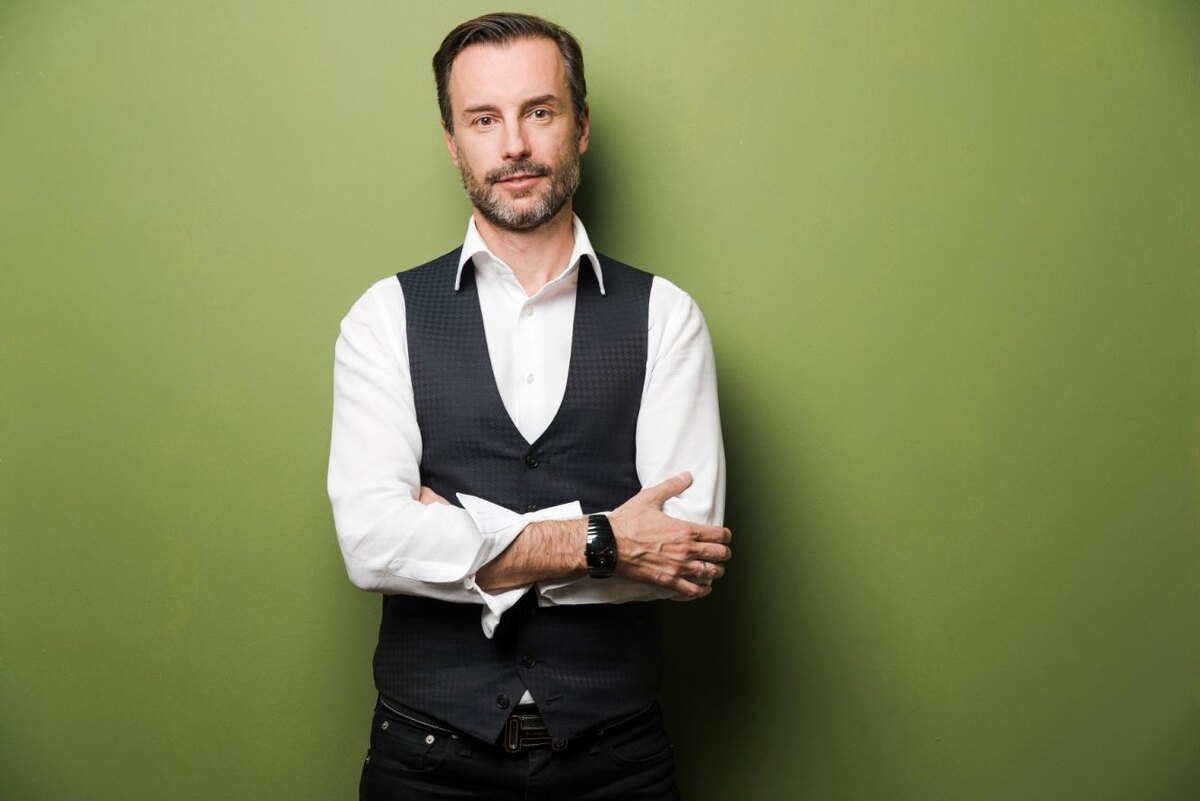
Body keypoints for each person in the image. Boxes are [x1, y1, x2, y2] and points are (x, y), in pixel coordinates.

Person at [328, 12, 731, 800]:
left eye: (539, 111)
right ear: (453, 141)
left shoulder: (665, 316)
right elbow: (371, 543)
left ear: (580, 126)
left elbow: (686, 552)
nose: (513, 145)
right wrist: (605, 539)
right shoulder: (384, 317)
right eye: (484, 119)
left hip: (618, 762)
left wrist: (456, 533)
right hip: (426, 761)